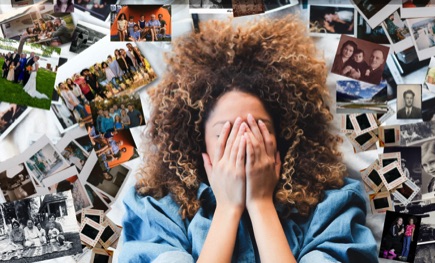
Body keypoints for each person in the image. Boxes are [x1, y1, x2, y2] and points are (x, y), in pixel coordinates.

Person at [120, 16, 377, 262]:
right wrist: (227, 208)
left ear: (281, 137)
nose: (243, 143)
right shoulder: (156, 207)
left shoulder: (332, 205)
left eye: (257, 129)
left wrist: (261, 203)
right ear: (200, 144)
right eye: (225, 133)